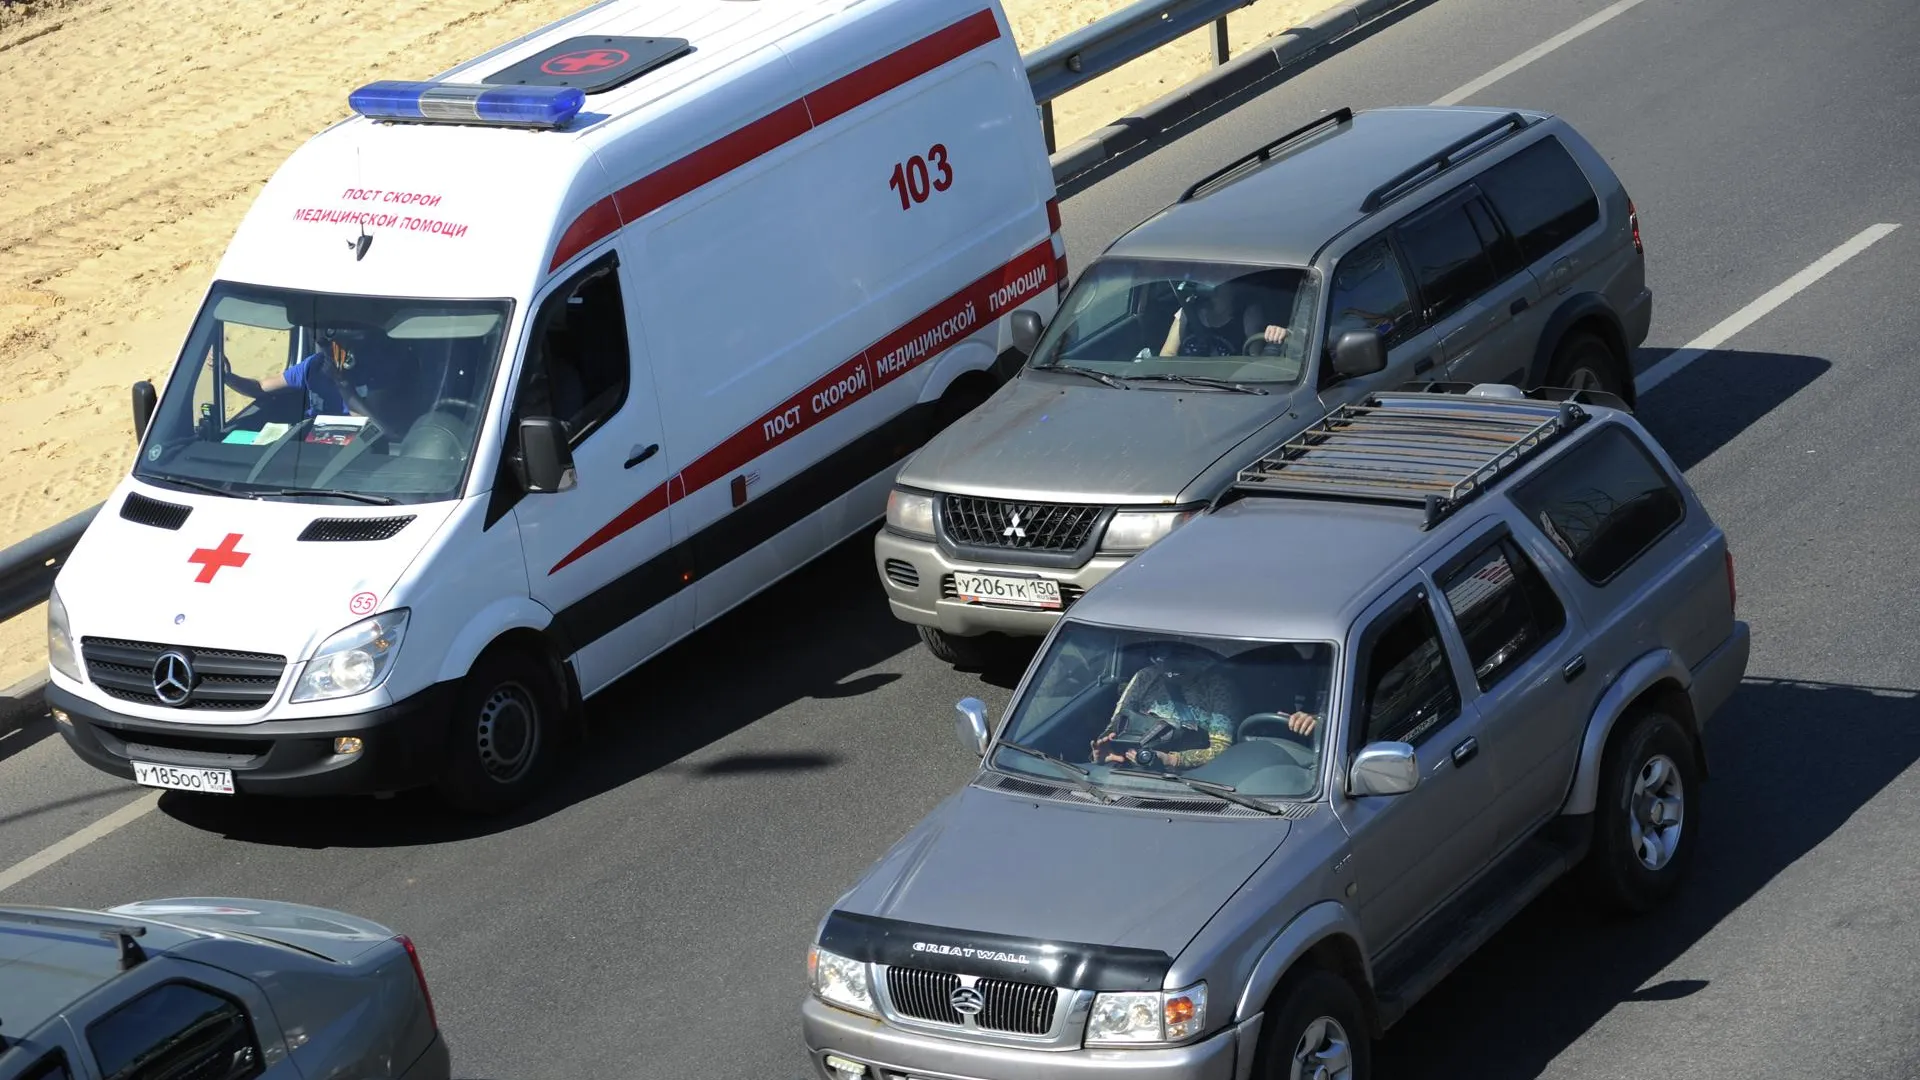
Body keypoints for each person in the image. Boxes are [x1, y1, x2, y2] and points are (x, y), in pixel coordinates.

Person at [1091, 649, 1243, 771]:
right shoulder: (1146, 676)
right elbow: (1117, 725)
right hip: (1133, 771)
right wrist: (1106, 752)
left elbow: (1221, 749)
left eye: (1183, 657)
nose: (1172, 664)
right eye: (1164, 656)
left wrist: (1172, 760)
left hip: (1190, 779)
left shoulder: (1218, 687)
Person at [221, 331, 377, 420]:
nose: (327, 350)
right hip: (312, 444)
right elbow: (260, 388)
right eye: (322, 344)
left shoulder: (372, 374)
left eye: (331, 344)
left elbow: (370, 425)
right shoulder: (312, 366)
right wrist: (228, 377)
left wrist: (341, 382)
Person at [1156, 282, 1289, 358]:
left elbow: (1255, 359)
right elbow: (1168, 354)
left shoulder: (1248, 314)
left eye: (1219, 284)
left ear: (1234, 288)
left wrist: (1276, 335)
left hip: (1229, 388)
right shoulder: (1187, 311)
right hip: (1183, 385)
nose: (1213, 289)